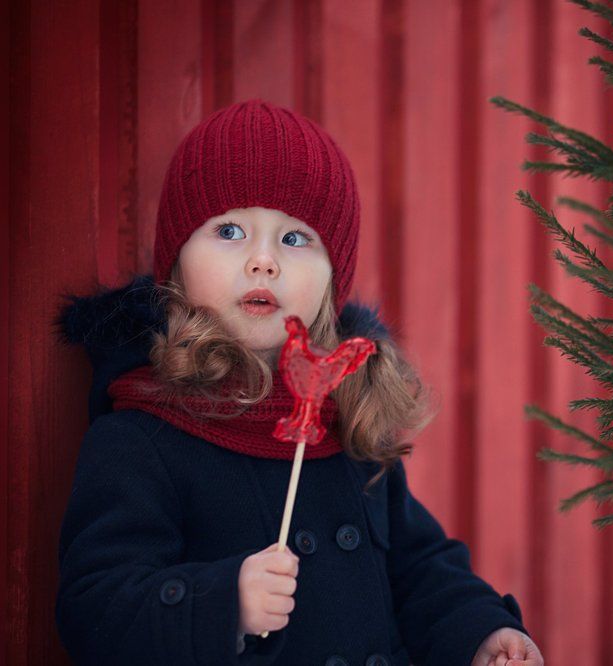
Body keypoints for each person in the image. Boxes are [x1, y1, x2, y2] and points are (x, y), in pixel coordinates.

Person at [55, 99, 544, 666]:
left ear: (332, 283)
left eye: (294, 239)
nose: (264, 261)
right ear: (177, 263)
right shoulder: (143, 437)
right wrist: (224, 603)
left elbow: (419, 568)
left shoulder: (346, 417)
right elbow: (95, 611)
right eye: (231, 230)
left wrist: (480, 631)